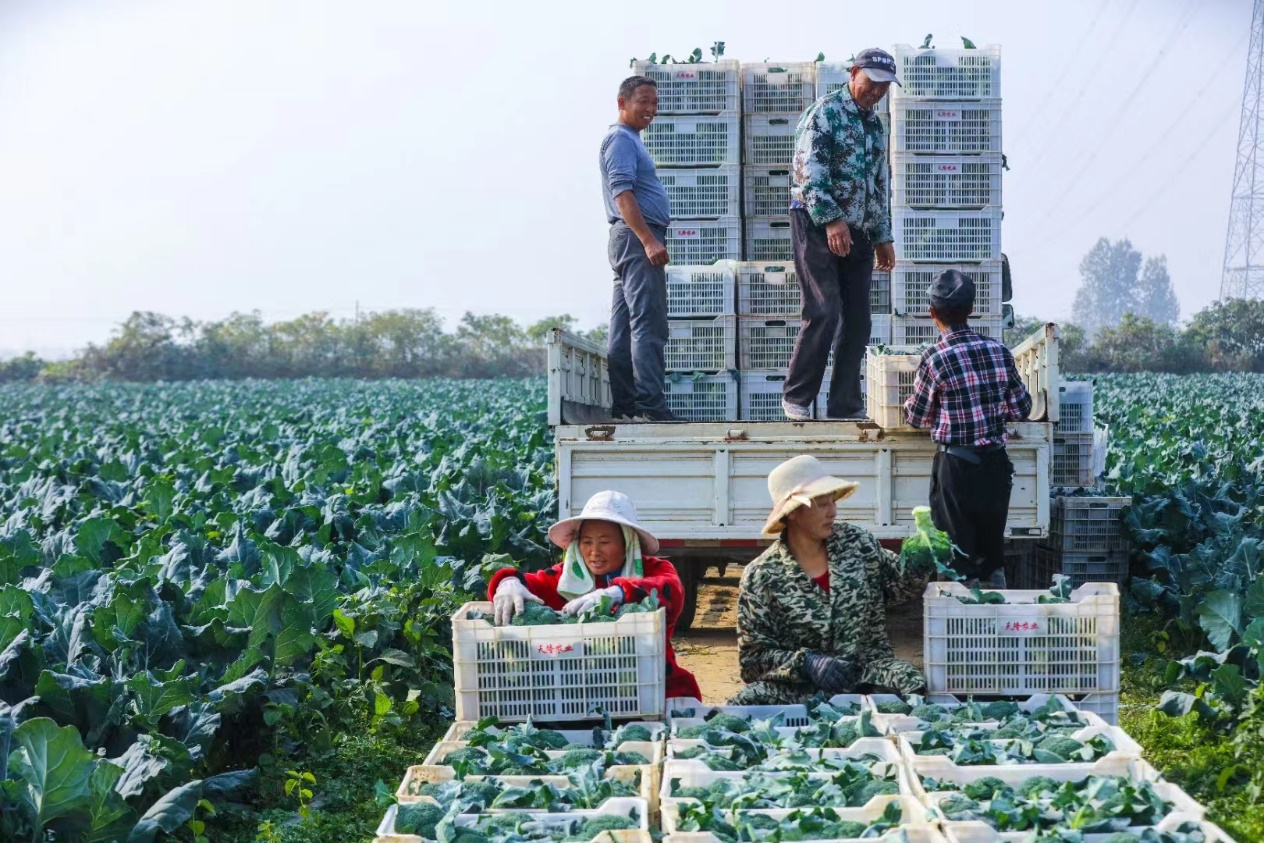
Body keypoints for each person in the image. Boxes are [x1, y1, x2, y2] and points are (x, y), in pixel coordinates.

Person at [730, 455, 929, 705]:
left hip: (868, 674)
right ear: (792, 513)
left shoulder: (858, 543)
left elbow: (900, 586)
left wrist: (921, 558)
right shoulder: (762, 575)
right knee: (745, 703)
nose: (833, 512)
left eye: (833, 502)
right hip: (800, 687)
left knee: (911, 683)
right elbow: (752, 661)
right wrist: (808, 664)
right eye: (822, 504)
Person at [487, 489, 701, 700]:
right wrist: (508, 582)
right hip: (578, 690)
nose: (594, 551)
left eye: (605, 542)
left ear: (627, 543)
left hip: (652, 683)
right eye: (587, 542)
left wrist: (618, 592)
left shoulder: (654, 569)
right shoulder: (567, 577)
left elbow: (670, 588)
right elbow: (531, 583)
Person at [782, 49, 900, 422]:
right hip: (818, 224)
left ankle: (844, 404)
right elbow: (807, 174)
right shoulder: (825, 113)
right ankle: (797, 397)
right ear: (853, 74)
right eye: (871, 83)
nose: (876, 92)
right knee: (824, 309)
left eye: (883, 87)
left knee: (859, 320)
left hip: (861, 231)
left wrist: (883, 235)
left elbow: (880, 184)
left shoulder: (875, 125)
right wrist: (833, 220)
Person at [904, 269, 1034, 588]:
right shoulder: (999, 351)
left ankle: (958, 626)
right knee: (992, 558)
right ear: (972, 310)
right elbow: (1022, 408)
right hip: (995, 467)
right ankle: (994, 622)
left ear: (932, 313)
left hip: (957, 469)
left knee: (955, 560)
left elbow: (917, 417)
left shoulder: (935, 358)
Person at [600, 76, 682, 423]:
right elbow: (623, 194)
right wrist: (649, 239)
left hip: (628, 239)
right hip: (636, 238)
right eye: (643, 102)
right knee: (648, 323)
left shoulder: (631, 139)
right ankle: (651, 407)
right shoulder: (620, 140)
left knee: (623, 326)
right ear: (622, 103)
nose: (651, 109)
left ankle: (626, 406)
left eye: (655, 103)